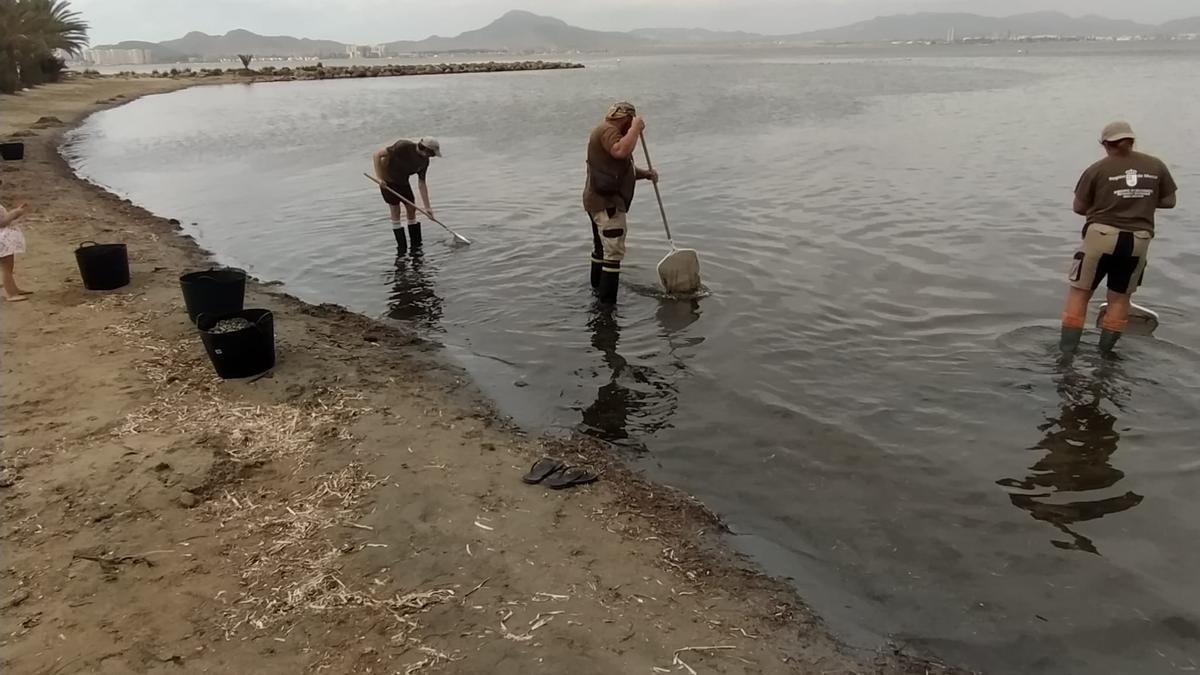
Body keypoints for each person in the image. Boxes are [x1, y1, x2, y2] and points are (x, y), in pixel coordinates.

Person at [1060, 121, 1177, 354]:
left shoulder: (1097, 169)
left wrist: (1107, 203)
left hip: (1101, 237)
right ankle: (1105, 355)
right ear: (1132, 141)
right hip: (1138, 241)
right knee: (1120, 298)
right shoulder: (1156, 166)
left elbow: (1078, 207)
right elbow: (1169, 201)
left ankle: (1066, 353)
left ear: (1105, 144)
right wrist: (1141, 201)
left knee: (1080, 294)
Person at [582, 101, 658, 304]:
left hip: (597, 201)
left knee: (601, 250)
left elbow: (619, 169)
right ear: (626, 119)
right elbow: (620, 151)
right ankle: (607, 307)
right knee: (613, 253)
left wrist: (646, 174)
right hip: (607, 205)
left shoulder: (607, 131)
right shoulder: (608, 130)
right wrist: (636, 128)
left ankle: (597, 295)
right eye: (629, 123)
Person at [372, 137, 442, 252]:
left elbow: (422, 183)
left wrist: (427, 207)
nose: (432, 157)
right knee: (395, 211)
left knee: (411, 209)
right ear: (424, 149)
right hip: (387, 181)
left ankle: (416, 245)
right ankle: (402, 247)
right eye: (432, 154)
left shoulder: (424, 162)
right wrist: (380, 178)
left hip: (403, 182)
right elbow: (377, 155)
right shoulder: (403, 146)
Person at [0, 178, 31, 302]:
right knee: (6, 267)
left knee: (8, 266)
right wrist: (15, 214)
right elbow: (2, 222)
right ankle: (11, 293)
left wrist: (15, 211)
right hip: (2, 239)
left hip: (3, 238)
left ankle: (14, 289)